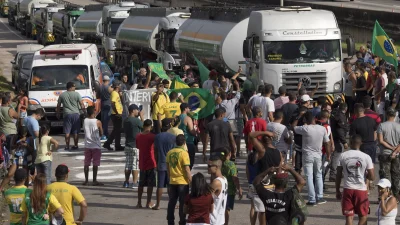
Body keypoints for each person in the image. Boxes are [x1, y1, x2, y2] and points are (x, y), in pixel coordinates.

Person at [336, 135, 375, 225]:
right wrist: (367, 177)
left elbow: (338, 175)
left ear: (350, 143)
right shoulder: (366, 157)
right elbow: (372, 177)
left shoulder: (343, 155)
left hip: (347, 189)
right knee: (363, 216)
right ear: (361, 144)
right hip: (361, 190)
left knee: (349, 217)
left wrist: (337, 190)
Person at [294, 111, 330, 205]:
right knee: (318, 176)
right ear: (314, 119)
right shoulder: (322, 129)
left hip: (307, 155)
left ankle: (312, 199)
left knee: (309, 177)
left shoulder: (305, 128)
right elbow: (327, 142)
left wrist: (299, 117)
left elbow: (294, 127)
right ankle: (320, 196)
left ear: (305, 120)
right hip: (318, 155)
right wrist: (328, 155)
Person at [166, 134, 191, 225]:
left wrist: (169, 179)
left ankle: (170, 221)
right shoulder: (184, 153)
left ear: (176, 142)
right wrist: (191, 181)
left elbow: (168, 169)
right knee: (182, 203)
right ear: (184, 143)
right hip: (183, 182)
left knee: (171, 202)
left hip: (172, 181)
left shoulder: (170, 152)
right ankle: (182, 221)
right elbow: (187, 169)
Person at [153, 119, 176, 210]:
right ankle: (171, 204)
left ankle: (158, 204)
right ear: (169, 126)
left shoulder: (158, 137)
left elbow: (155, 151)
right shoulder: (173, 137)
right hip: (171, 164)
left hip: (161, 163)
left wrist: (156, 161)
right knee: (170, 185)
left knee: (160, 185)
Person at [377, 108, 400, 199]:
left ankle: (384, 196)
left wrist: (390, 148)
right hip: (397, 154)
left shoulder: (381, 125)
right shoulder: (399, 126)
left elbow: (381, 141)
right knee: (396, 175)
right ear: (395, 116)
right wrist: (395, 151)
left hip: (385, 154)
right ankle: (396, 196)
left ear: (387, 115)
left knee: (384, 176)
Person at [56, 82, 85, 150]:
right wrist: (85, 112)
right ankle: (75, 145)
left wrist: (58, 113)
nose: (75, 88)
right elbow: (81, 104)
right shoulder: (77, 94)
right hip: (76, 114)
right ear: (71, 87)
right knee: (76, 131)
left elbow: (58, 105)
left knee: (67, 131)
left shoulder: (62, 95)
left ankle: (67, 146)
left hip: (67, 114)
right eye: (74, 86)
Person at [136, 119, 156, 208]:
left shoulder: (138, 136)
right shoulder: (152, 136)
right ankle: (148, 202)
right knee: (150, 184)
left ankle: (139, 202)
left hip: (142, 162)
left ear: (143, 126)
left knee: (141, 184)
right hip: (151, 161)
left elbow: (137, 146)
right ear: (151, 126)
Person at [123, 104, 144, 188]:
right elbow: (145, 127)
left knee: (128, 164)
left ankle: (126, 182)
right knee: (135, 165)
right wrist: (141, 117)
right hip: (135, 146)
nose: (138, 111)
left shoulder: (126, 120)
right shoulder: (136, 120)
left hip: (127, 145)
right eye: (137, 110)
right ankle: (135, 182)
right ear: (133, 111)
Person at [220, 147, 242, 225]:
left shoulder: (220, 163)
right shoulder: (231, 164)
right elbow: (235, 178)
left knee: (221, 208)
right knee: (227, 209)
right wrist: (239, 188)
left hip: (220, 188)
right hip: (229, 190)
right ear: (229, 154)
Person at [83, 106, 103, 186]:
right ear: (94, 112)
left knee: (86, 163)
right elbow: (101, 132)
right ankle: (94, 180)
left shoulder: (84, 120)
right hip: (96, 145)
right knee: (95, 164)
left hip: (87, 145)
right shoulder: (98, 122)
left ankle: (86, 180)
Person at [329, 103, 349, 181]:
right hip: (338, 139)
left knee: (337, 156)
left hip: (334, 137)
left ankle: (337, 172)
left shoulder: (335, 114)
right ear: (346, 109)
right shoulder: (340, 116)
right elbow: (340, 130)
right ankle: (333, 173)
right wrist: (344, 141)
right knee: (336, 156)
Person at [103, 81, 124, 151]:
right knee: (117, 130)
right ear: (117, 86)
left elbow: (121, 103)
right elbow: (112, 103)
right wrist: (117, 112)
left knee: (117, 130)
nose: (121, 87)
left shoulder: (117, 93)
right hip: (116, 114)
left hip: (117, 113)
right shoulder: (114, 93)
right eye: (120, 86)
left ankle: (110, 143)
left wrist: (121, 96)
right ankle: (113, 144)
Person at [246, 151, 265, 225]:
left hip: (251, 184)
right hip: (259, 184)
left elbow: (247, 173)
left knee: (253, 207)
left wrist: (249, 182)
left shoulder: (249, 159)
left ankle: (252, 224)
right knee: (261, 208)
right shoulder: (260, 160)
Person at [208, 156, 228, 225]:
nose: (207, 168)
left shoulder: (216, 182)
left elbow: (206, 197)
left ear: (216, 167)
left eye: (209, 166)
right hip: (220, 219)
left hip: (213, 219)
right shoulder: (224, 179)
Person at [179, 103, 197, 169]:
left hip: (179, 142)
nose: (189, 109)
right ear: (185, 109)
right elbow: (192, 131)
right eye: (188, 108)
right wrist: (195, 133)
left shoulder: (177, 117)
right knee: (190, 161)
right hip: (188, 141)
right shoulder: (187, 118)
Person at [99, 75, 112, 141]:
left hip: (102, 104)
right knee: (106, 120)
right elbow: (113, 93)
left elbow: (98, 95)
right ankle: (105, 134)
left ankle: (105, 133)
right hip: (108, 104)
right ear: (108, 80)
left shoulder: (100, 87)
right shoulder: (108, 87)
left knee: (103, 120)